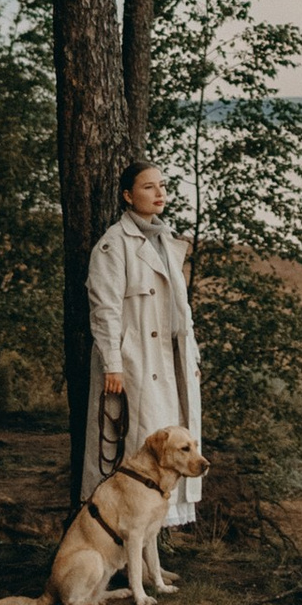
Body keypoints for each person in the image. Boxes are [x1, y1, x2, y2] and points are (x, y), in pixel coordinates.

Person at [84, 158, 203, 530]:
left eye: (162, 186)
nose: (159, 193)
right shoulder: (113, 245)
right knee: (139, 455)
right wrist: (112, 364)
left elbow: (180, 311)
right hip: (136, 362)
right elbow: (105, 309)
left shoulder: (166, 242)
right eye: (149, 187)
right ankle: (119, 542)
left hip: (170, 363)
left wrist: (193, 356)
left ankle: (152, 556)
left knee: (171, 451)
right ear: (127, 195)